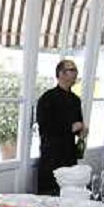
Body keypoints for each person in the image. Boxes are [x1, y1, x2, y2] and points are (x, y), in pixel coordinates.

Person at [36, 59, 85, 195]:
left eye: (76, 70)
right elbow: (45, 127)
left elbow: (78, 124)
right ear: (61, 74)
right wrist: (71, 128)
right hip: (51, 155)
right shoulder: (47, 98)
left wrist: (81, 131)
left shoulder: (76, 100)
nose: (76, 73)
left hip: (69, 153)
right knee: (49, 197)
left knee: (69, 195)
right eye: (72, 70)